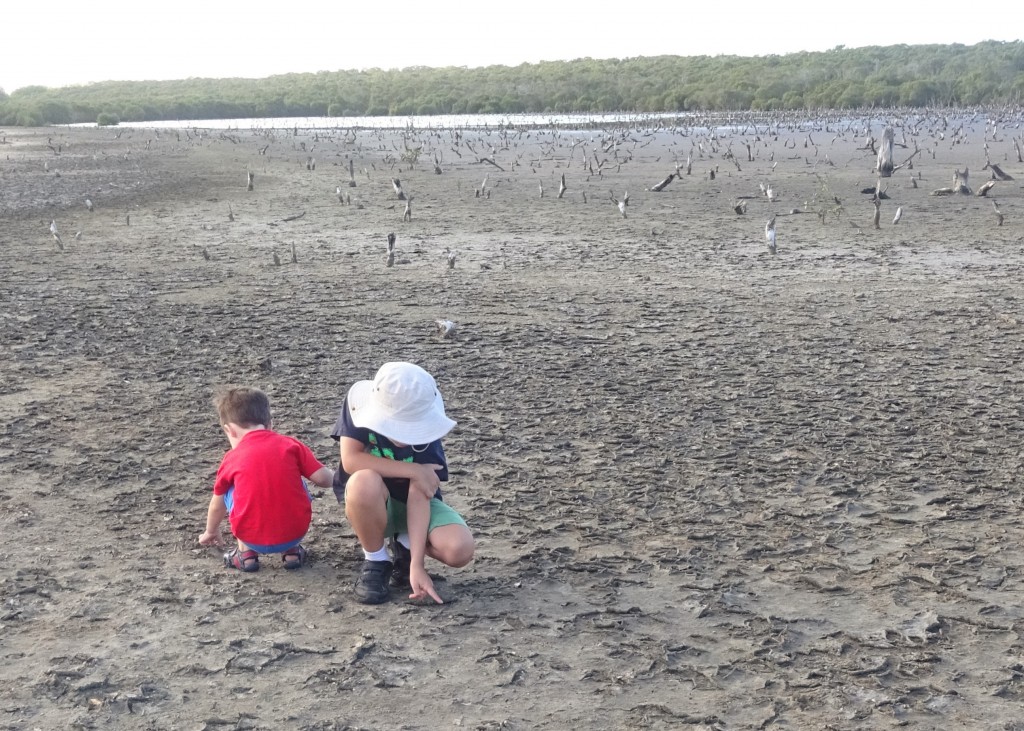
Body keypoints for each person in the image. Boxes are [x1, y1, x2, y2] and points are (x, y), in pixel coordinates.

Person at [332, 362, 474, 604]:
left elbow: (419, 494)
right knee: (362, 482)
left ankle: (405, 548)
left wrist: (417, 564)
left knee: (460, 550)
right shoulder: (358, 406)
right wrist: (414, 470)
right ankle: (376, 559)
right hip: (371, 504)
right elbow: (351, 460)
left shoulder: (430, 435)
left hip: (415, 504)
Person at [198, 387, 334, 572]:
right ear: (270, 424)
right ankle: (291, 552)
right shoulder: (291, 445)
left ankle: (245, 554)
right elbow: (324, 479)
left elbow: (217, 503)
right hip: (294, 533)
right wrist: (345, 476)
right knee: (296, 481)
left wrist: (211, 531)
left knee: (230, 490)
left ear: (229, 430)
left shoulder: (232, 457)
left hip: (251, 536)